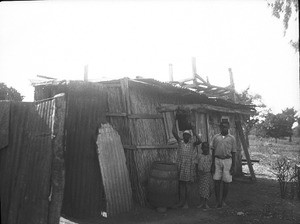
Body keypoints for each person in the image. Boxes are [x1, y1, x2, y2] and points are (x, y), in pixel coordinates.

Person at [172, 123, 202, 209]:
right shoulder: (180, 141)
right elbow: (173, 132)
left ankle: (186, 204)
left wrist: (194, 131)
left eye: (188, 135)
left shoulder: (192, 143)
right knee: (181, 184)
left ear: (190, 136)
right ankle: (181, 203)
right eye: (185, 135)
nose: (186, 136)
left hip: (188, 166)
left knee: (187, 185)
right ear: (183, 135)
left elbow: (200, 141)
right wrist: (174, 120)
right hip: (181, 166)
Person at [211, 120, 236, 208]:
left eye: (225, 127)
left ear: (228, 127)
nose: (224, 128)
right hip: (217, 160)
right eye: (222, 127)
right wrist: (212, 164)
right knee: (216, 181)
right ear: (220, 127)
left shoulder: (232, 138)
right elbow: (213, 150)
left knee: (226, 181)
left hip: (227, 161)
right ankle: (217, 201)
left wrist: (233, 166)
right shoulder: (215, 137)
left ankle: (223, 201)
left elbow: (233, 152)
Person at [197, 142, 213, 210]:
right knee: (201, 188)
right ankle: (201, 203)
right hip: (200, 174)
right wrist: (196, 172)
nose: (205, 149)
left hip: (207, 174)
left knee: (207, 189)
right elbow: (196, 164)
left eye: (207, 147)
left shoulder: (210, 156)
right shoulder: (199, 156)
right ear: (202, 148)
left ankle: (206, 203)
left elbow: (212, 165)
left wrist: (211, 173)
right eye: (204, 147)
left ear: (208, 148)